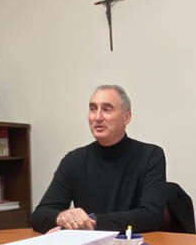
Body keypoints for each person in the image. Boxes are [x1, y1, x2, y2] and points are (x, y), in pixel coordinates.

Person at [30, 85, 166, 233]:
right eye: (93, 109)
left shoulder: (150, 155)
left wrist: (90, 222)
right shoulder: (74, 160)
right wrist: (62, 217)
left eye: (107, 109)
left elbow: (151, 216)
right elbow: (38, 216)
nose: (98, 117)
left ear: (126, 117)